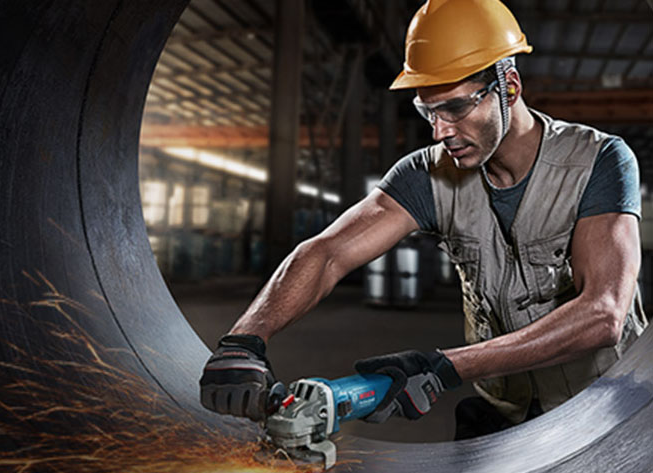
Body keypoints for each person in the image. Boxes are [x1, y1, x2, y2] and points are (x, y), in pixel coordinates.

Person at [199, 0, 646, 439]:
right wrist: (244, 340)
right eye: (428, 111)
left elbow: (602, 313)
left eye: (455, 108)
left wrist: (444, 367)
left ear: (508, 88)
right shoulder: (427, 175)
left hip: (607, 408)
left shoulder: (598, 160)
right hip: (504, 414)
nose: (440, 131)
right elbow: (329, 251)